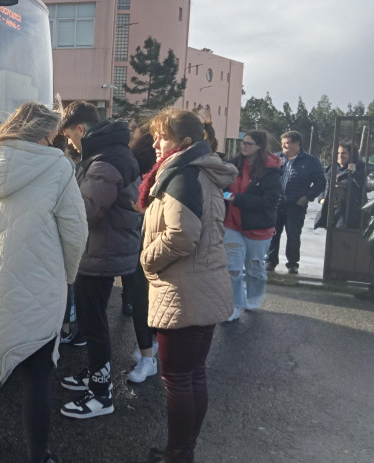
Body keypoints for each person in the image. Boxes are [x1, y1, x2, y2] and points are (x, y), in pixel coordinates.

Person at [0, 102, 87, 463]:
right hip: (41, 282)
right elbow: (75, 232)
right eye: (52, 134)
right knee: (37, 373)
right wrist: (67, 276)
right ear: (41, 133)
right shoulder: (58, 166)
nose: (54, 141)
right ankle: (38, 457)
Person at [138, 109, 237, 463]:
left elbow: (182, 236)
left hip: (184, 291)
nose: (154, 143)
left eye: (160, 136)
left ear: (184, 143)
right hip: (202, 287)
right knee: (192, 373)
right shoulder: (197, 171)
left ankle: (177, 455)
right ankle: (183, 451)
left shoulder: (180, 174)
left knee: (178, 378)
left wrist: (146, 259)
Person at [57, 101, 141, 419]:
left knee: (93, 322)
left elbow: (86, 211)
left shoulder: (104, 161)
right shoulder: (110, 153)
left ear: (80, 129)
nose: (69, 143)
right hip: (103, 248)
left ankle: (101, 394)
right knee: (94, 320)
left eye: (68, 137)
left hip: (100, 251)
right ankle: (95, 373)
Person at [223, 131, 282, 322]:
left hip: (258, 227)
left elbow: (270, 201)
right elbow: (222, 184)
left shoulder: (271, 170)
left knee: (254, 267)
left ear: (259, 146)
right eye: (243, 142)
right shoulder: (234, 163)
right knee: (232, 268)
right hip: (232, 224)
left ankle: (254, 297)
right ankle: (233, 306)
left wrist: (237, 199)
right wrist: (225, 194)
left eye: (248, 143)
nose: (244, 146)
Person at [125, 125, 159, 384]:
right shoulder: (171, 166)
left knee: (141, 298)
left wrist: (141, 208)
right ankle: (150, 349)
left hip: (145, 241)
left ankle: (148, 353)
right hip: (152, 240)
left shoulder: (134, 164)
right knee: (147, 298)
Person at [264, 130, 325, 274]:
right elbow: (266, 178)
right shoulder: (275, 158)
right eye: (283, 143)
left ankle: (292, 264)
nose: (284, 146)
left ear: (297, 144)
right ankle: (270, 262)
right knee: (272, 234)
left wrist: (306, 197)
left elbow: (320, 183)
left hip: (296, 205)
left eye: (287, 143)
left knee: (293, 235)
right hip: (276, 204)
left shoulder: (311, 161)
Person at [315, 141, 366, 230]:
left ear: (351, 154)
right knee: (331, 239)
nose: (340, 155)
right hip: (332, 211)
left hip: (349, 212)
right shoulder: (332, 167)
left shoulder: (359, 167)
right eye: (338, 153)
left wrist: (355, 173)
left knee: (342, 238)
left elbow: (365, 186)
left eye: (344, 153)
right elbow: (324, 184)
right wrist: (322, 199)